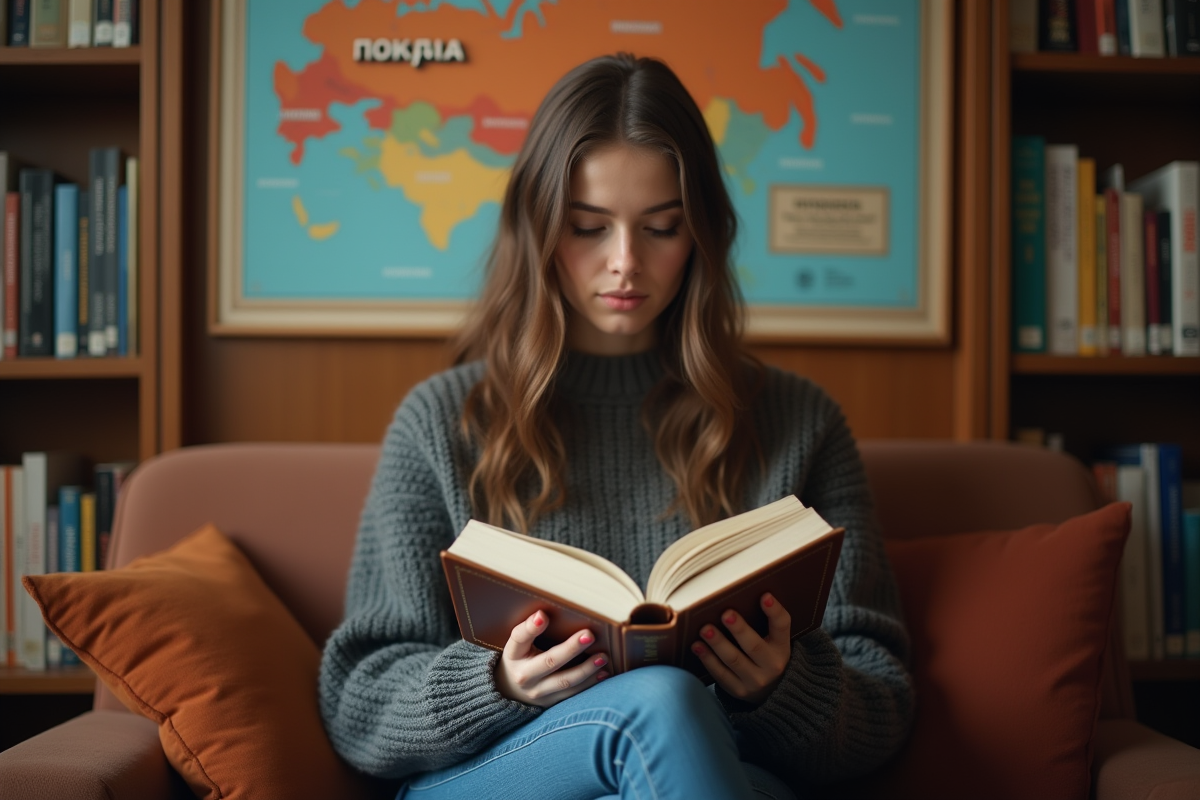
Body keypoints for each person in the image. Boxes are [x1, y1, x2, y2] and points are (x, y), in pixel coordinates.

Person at [319, 53, 914, 800]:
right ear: (538, 230)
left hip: (725, 776)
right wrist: (497, 682)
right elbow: (359, 698)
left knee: (675, 737)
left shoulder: (800, 423)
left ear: (703, 234)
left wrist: (782, 686)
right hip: (501, 780)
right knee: (657, 705)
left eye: (662, 227)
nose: (625, 263)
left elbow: (881, 699)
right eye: (588, 228)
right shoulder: (442, 423)